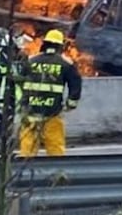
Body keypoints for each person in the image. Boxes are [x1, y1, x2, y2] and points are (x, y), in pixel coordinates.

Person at [19, 29, 82, 157]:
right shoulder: (66, 64)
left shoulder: (31, 61)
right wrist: (71, 103)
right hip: (52, 113)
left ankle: (24, 175)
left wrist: (21, 103)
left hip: (30, 112)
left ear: (45, 43)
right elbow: (75, 83)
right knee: (55, 149)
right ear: (60, 45)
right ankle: (56, 173)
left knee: (27, 150)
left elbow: (18, 82)